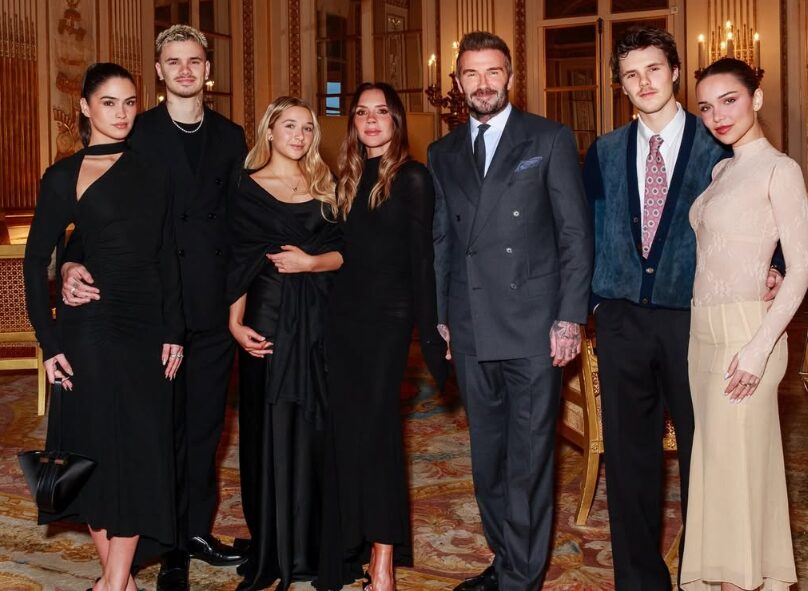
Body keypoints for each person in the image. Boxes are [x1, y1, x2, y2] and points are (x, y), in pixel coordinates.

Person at [583, 27, 784, 589]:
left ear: (674, 72)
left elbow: (765, 210)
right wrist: (596, 303)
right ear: (621, 86)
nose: (643, 82)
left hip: (696, 322)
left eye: (653, 69)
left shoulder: (718, 140)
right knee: (629, 461)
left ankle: (702, 574)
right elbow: (587, 231)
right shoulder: (603, 152)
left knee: (706, 456)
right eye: (631, 74)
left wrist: (775, 265)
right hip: (621, 321)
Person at [59, 25, 248, 591]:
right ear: (159, 71)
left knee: (205, 427)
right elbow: (90, 212)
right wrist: (69, 265)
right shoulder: (132, 130)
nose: (185, 69)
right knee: (153, 430)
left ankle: (193, 533)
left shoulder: (232, 136)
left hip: (210, 304)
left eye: (195, 61)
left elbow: (244, 222)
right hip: (145, 307)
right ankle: (160, 546)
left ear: (207, 71)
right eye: (173, 61)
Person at [429, 31, 592, 591]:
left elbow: (575, 235)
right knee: (487, 460)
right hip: (470, 326)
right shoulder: (442, 152)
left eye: (492, 72)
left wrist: (569, 317)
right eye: (471, 74)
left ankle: (522, 578)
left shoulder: (548, 138)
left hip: (534, 328)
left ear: (510, 78)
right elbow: (442, 241)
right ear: (458, 82)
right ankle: (505, 562)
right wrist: (442, 316)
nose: (483, 84)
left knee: (528, 461)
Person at [23, 62, 184, 591]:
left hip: (144, 324)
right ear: (85, 108)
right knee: (88, 447)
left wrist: (174, 330)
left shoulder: (155, 171)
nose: (121, 113)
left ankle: (114, 582)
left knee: (138, 447)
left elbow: (167, 256)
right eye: (109, 102)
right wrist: (49, 343)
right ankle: (119, 582)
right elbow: (35, 261)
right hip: (87, 327)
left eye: (130, 102)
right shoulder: (62, 176)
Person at [681, 57, 808, 591]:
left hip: (748, 335)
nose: (717, 116)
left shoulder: (781, 169)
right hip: (703, 333)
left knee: (737, 472)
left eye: (729, 100)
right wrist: (765, 269)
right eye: (706, 107)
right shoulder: (721, 171)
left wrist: (758, 349)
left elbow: (801, 270)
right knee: (718, 469)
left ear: (755, 98)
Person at [315, 82, 448, 591]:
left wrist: (431, 333)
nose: (371, 121)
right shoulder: (345, 180)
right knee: (347, 434)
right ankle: (352, 550)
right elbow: (340, 253)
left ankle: (385, 561)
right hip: (342, 319)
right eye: (361, 113)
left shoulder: (413, 177)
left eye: (381, 112)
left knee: (378, 434)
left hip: (388, 323)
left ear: (396, 120)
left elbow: (422, 260)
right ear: (353, 122)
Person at [226, 96, 343, 591]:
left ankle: (312, 547)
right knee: (267, 427)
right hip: (267, 316)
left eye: (307, 127)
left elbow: (346, 253)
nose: (299, 135)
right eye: (289, 125)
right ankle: (272, 547)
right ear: (270, 131)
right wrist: (234, 322)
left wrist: (311, 263)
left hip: (321, 320)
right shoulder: (245, 187)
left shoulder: (327, 184)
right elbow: (236, 259)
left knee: (317, 427)